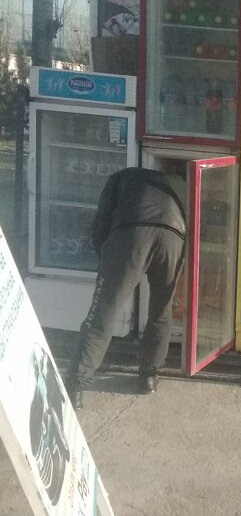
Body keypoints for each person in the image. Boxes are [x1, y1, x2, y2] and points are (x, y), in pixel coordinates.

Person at [66, 167, 187, 409]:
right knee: (161, 310)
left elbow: (101, 222)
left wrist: (107, 260)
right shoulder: (180, 183)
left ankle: (77, 386)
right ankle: (149, 377)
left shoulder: (121, 177)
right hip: (173, 238)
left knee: (104, 313)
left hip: (131, 234)